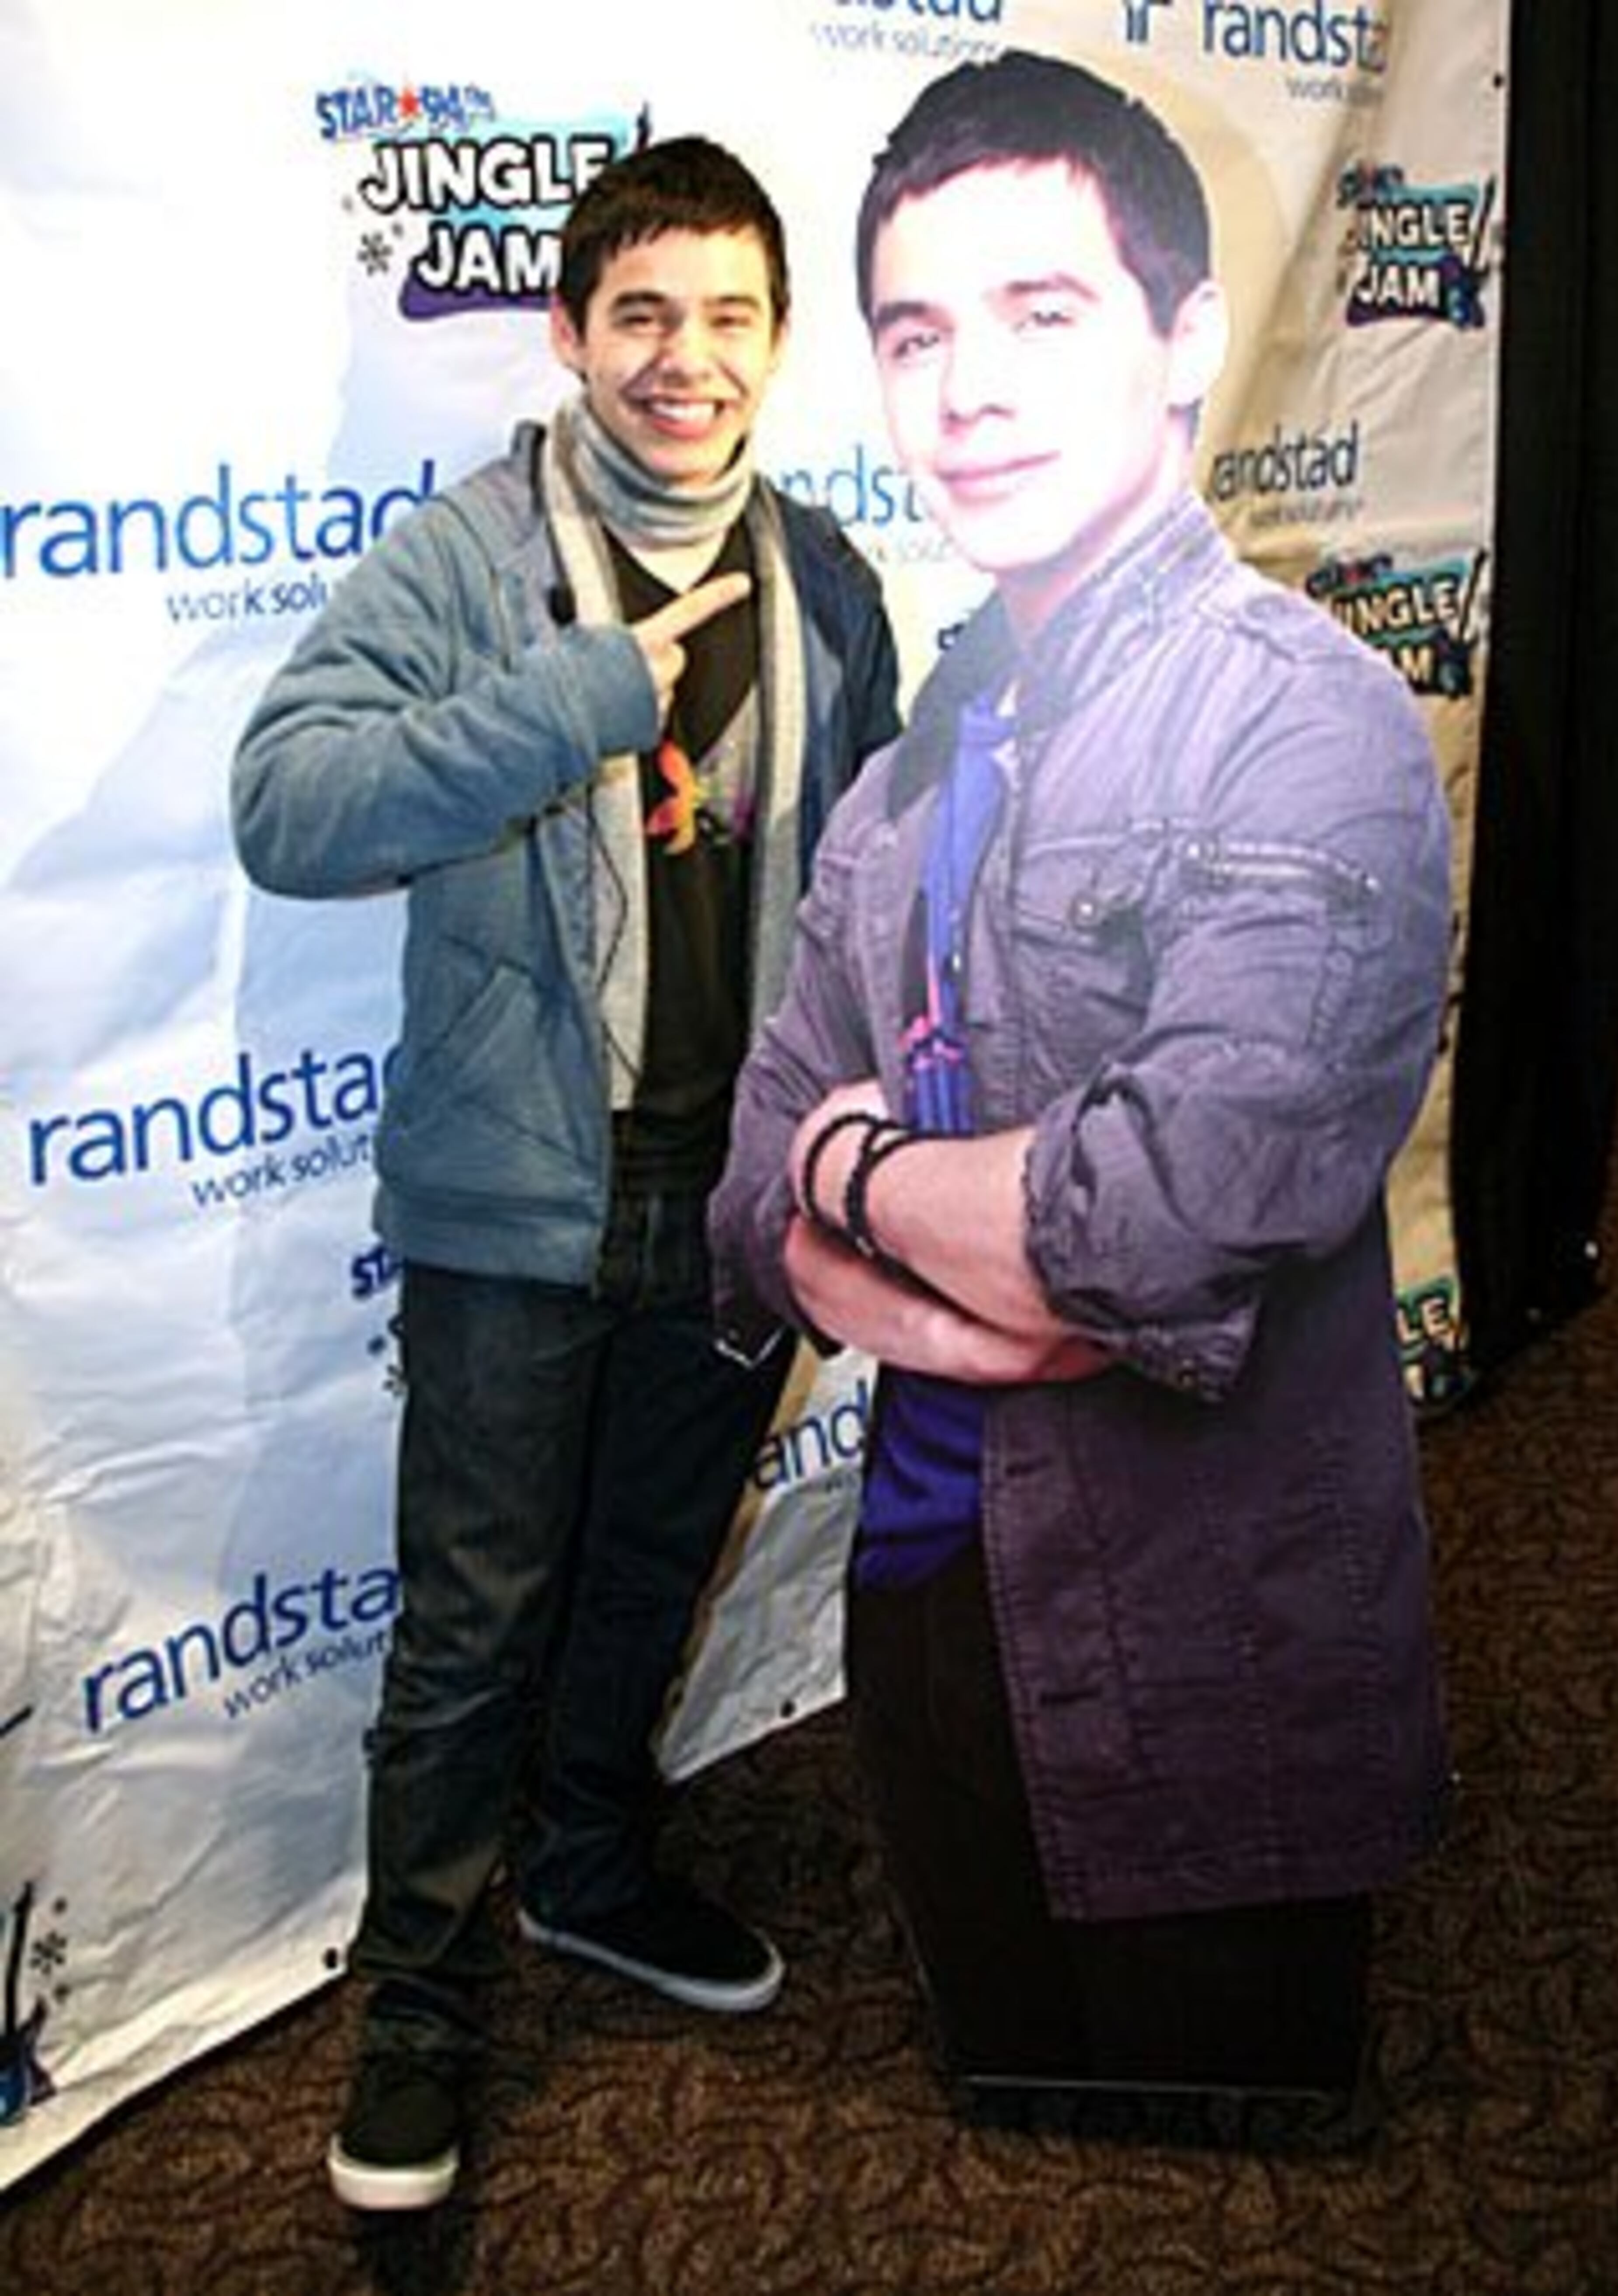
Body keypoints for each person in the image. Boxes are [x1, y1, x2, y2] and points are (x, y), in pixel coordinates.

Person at [708, 50, 1452, 2119]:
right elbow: (750, 1176)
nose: (971, 391)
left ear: (1184, 337)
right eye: (920, 333)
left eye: (1044, 315)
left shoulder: (1307, 726)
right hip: (933, 1590)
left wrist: (856, 1176)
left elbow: (1158, 1212)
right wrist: (891, 1213)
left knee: (1217, 2146)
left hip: (1197, 1613)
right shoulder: (910, 768)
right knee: (1009, 2089)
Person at [231, 134, 899, 2211]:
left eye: (725, 317)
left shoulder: (831, 577)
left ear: (776, 344)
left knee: (641, 1574)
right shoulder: (465, 554)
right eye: (641, 315)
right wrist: (576, 701)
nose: (683, 360)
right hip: (522, 1198)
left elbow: (869, 873)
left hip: (730, 1190)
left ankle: (592, 1870)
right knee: (469, 1624)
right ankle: (415, 2015)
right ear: (571, 334)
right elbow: (287, 798)